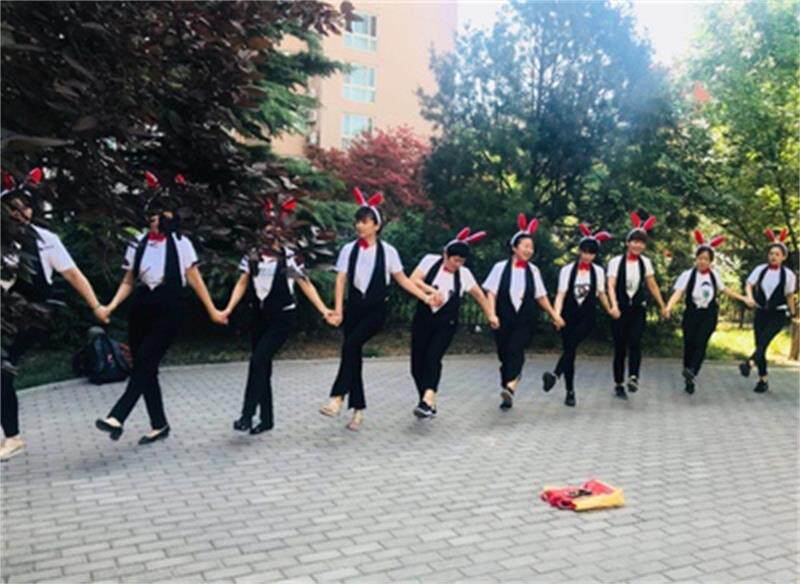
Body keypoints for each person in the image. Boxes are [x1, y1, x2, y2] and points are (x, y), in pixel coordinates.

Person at [94, 172, 226, 445]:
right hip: (142, 306)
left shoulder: (181, 244)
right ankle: (159, 424)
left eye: (160, 216)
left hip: (170, 307)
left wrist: (213, 310)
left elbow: (195, 279)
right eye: (152, 216)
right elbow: (128, 280)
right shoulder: (138, 243)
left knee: (145, 361)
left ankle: (118, 416)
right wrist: (110, 306)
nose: (155, 220)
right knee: (146, 367)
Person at [0, 168, 108, 462]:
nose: (20, 213)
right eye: (12, 208)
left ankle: (13, 438)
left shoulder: (45, 239)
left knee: (3, 369)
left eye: (25, 207)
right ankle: (12, 435)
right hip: (5, 316)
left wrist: (96, 306)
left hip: (32, 316)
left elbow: (73, 274)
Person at [318, 188, 441, 431]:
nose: (359, 226)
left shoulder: (389, 252)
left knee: (350, 347)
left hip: (375, 311)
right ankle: (358, 410)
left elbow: (403, 280)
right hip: (353, 310)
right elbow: (341, 280)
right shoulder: (348, 249)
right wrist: (338, 310)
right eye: (357, 221)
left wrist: (426, 298)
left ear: (376, 225)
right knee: (353, 355)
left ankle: (337, 397)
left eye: (364, 222)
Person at [221, 197, 335, 435]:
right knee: (262, 366)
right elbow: (242, 283)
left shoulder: (289, 257)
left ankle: (246, 415)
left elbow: (305, 284)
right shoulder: (253, 255)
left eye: (275, 227)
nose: (270, 232)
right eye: (267, 227)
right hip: (259, 317)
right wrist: (228, 309)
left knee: (257, 361)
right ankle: (267, 419)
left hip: (282, 318)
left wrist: (324, 310)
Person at [408, 227, 499, 418]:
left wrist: (490, 314)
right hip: (423, 319)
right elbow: (413, 280)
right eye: (454, 260)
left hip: (446, 323)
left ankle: (427, 399)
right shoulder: (429, 261)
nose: (457, 264)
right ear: (445, 255)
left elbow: (479, 295)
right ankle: (427, 400)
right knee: (417, 364)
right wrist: (431, 291)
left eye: (461, 261)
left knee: (433, 358)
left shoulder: (464, 274)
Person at [483, 214, 565, 410]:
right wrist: (491, 314)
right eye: (525, 246)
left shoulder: (534, 271)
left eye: (531, 247)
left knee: (516, 349)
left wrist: (555, 315)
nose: (529, 250)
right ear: (514, 248)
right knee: (505, 355)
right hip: (503, 318)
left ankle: (510, 388)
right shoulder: (499, 268)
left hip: (525, 319)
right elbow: (491, 293)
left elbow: (541, 296)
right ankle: (509, 384)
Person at [664, 231, 749, 394]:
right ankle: (688, 376)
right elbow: (678, 293)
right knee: (689, 344)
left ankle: (693, 371)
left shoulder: (714, 275)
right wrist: (668, 307)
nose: (702, 261)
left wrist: (743, 298)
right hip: (691, 313)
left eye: (706, 259)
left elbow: (725, 290)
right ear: (696, 259)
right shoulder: (688, 275)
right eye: (700, 258)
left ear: (711, 261)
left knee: (701, 342)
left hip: (708, 314)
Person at [542, 223, 615, 407]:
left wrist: (610, 309)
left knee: (571, 346)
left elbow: (601, 294)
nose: (587, 256)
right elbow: (561, 294)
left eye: (591, 253)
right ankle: (570, 392)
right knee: (570, 352)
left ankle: (556, 374)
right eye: (585, 251)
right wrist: (556, 316)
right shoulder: (567, 270)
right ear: (580, 251)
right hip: (568, 315)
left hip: (587, 317)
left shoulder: (598, 271)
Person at [606, 211, 667, 400]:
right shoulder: (616, 262)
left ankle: (633, 376)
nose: (637, 245)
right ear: (628, 243)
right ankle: (618, 383)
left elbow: (652, 285)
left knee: (635, 341)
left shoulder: (645, 263)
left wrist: (662, 305)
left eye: (641, 242)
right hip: (620, 308)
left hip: (638, 308)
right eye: (634, 241)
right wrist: (613, 306)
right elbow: (610, 285)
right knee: (620, 347)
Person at [738, 227, 797, 393]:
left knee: (764, 341)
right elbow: (749, 284)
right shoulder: (760, 270)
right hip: (761, 312)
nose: (773, 257)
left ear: (783, 257)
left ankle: (749, 363)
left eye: (777, 254)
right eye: (771, 253)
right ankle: (762, 379)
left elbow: (789, 295)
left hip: (778, 313)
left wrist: (793, 314)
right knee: (760, 345)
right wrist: (750, 297)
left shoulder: (789, 275)